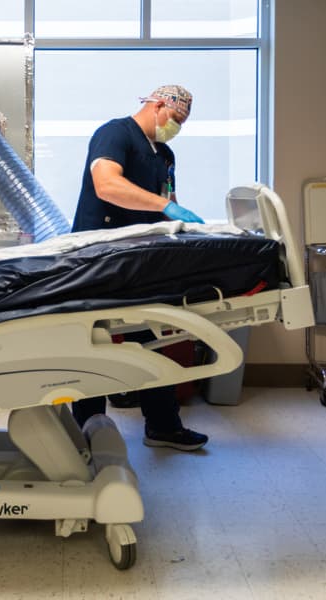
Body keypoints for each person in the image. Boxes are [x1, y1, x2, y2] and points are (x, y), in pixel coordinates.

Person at [71, 84, 209, 452]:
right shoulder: (115, 134)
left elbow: (169, 201)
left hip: (136, 261)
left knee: (149, 342)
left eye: (182, 123)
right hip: (98, 257)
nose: (176, 127)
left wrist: (185, 226)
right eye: (175, 118)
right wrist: (166, 208)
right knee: (93, 346)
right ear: (158, 104)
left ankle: (163, 425)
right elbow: (107, 185)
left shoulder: (164, 154)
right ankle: (85, 433)